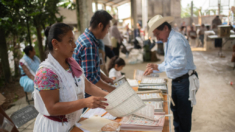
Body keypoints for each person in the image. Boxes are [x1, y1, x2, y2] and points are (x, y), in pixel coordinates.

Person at [33, 23, 109, 132]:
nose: (74, 45)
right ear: (55, 44)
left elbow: (87, 85)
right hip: (55, 127)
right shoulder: (46, 73)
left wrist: (110, 96)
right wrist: (85, 102)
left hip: (73, 124)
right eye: (70, 41)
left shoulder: (71, 63)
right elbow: (52, 108)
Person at [144, 15, 199, 132]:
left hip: (184, 81)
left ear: (165, 28)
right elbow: (170, 62)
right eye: (155, 35)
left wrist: (159, 67)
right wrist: (157, 68)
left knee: (183, 115)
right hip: (179, 80)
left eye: (158, 34)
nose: (157, 37)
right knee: (176, 111)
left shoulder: (175, 40)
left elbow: (180, 62)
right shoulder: (169, 39)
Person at [73, 10, 115, 100]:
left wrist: (104, 78)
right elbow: (90, 78)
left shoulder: (86, 38)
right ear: (100, 26)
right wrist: (110, 88)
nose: (107, 32)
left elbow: (91, 69)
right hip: (84, 94)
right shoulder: (89, 44)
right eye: (108, 28)